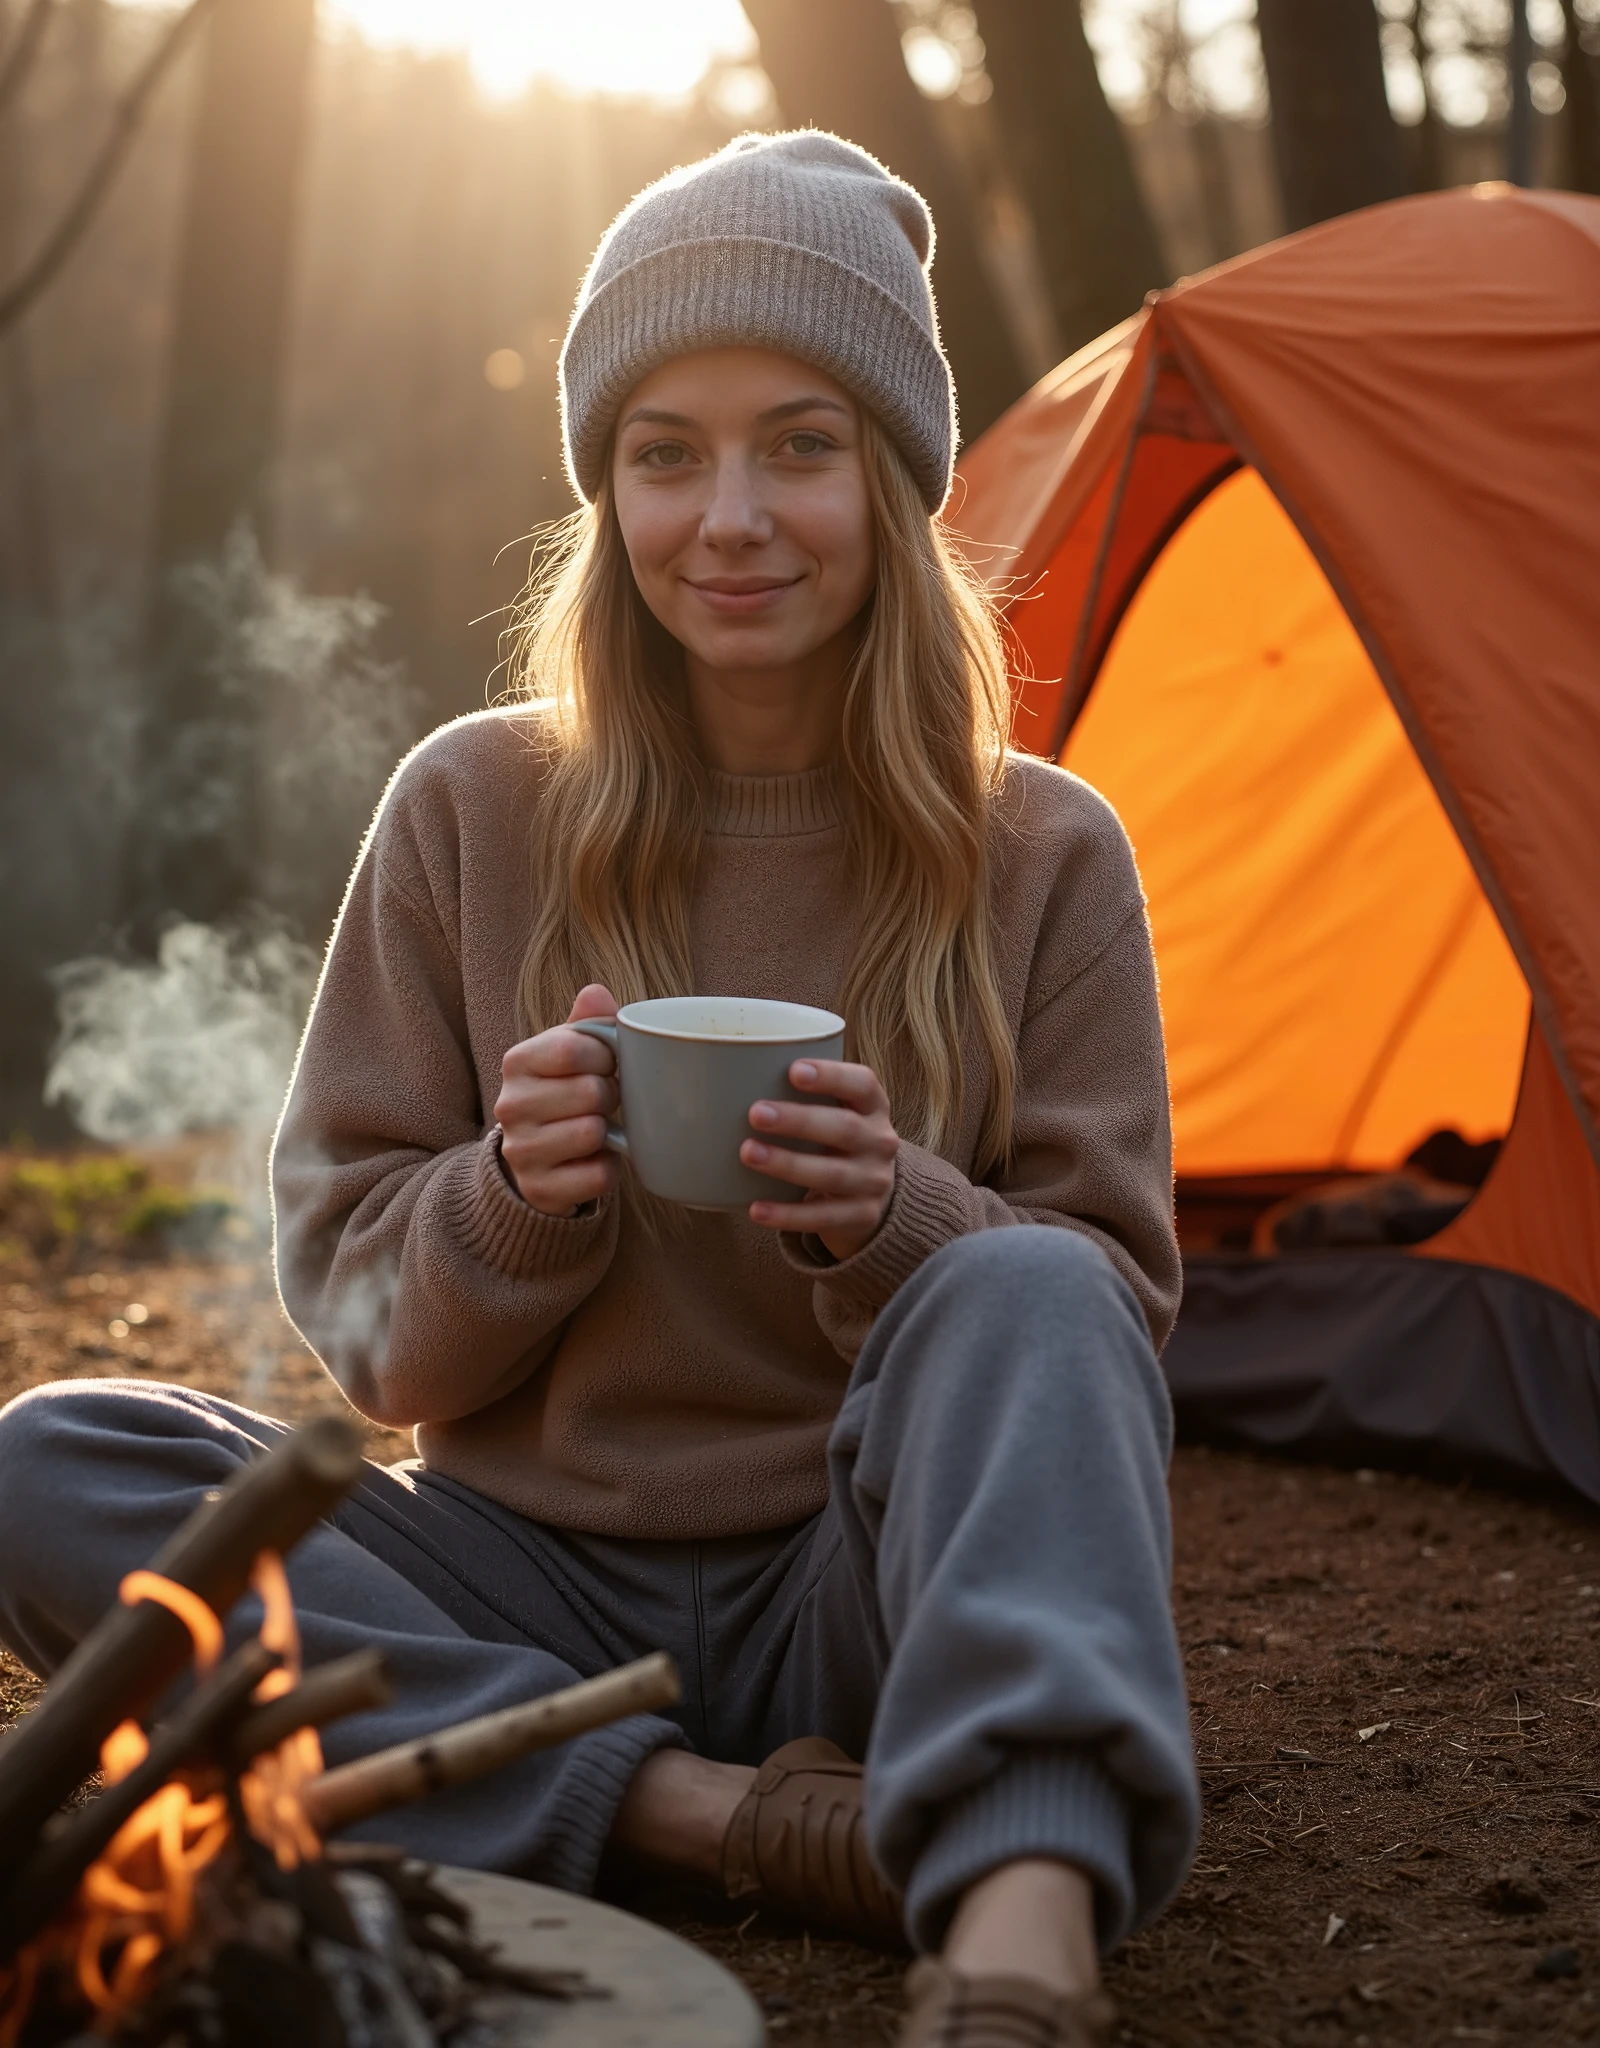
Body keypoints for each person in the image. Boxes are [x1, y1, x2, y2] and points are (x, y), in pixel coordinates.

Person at [0, 133, 1199, 2048]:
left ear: (894, 481)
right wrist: (510, 1200)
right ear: (605, 489)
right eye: (667, 451)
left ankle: (1016, 1933)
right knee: (53, 1460)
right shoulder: (474, 806)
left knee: (1025, 1284)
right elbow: (374, 1345)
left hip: (863, 1588)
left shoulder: (1042, 850)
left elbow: (1102, 1329)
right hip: (510, 1595)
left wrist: (901, 1224)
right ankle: (709, 1818)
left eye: (801, 444)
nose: (731, 515)